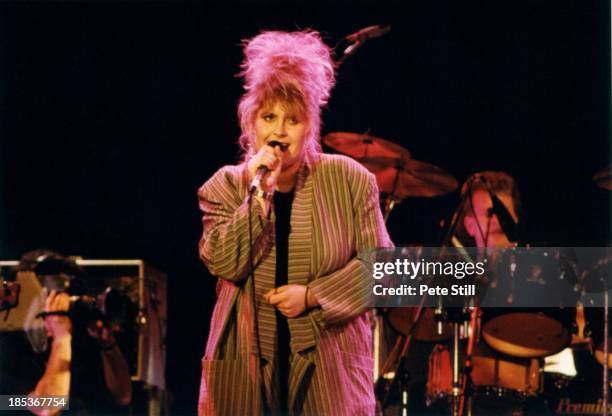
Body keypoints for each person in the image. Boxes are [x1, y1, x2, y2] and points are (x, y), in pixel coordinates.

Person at [197, 30, 391, 415]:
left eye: (293, 120)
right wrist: (258, 196)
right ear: (250, 123)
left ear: (311, 127)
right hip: (245, 364)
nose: (279, 131)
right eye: (268, 117)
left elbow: (383, 269)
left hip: (329, 363)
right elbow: (224, 262)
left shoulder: (350, 180)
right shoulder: (225, 185)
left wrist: (314, 295)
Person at [20, 250, 132, 416]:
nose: (65, 303)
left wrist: (107, 345)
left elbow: (122, 397)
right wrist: (61, 338)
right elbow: (46, 407)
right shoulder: (10, 349)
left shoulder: (79, 341)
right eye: (56, 296)